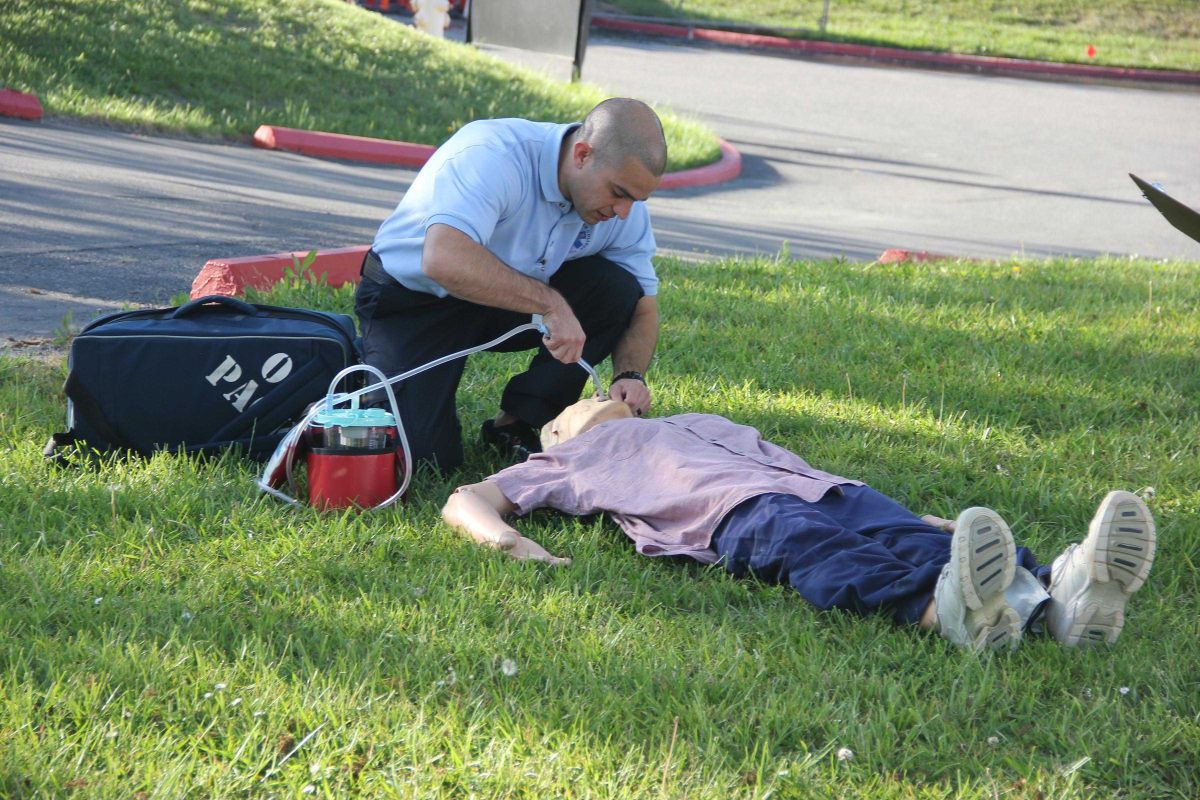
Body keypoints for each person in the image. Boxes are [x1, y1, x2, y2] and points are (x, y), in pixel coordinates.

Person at [441, 398, 1158, 652]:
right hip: (738, 516)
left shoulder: (693, 420)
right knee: (821, 554)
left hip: (829, 489)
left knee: (915, 536)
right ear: (558, 436)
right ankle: (941, 611)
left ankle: (1058, 599)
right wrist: (510, 540)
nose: (591, 400)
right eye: (571, 410)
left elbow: (785, 458)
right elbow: (463, 498)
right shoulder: (568, 459)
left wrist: (917, 516)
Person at [355, 98, 668, 472]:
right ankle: (350, 372)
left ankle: (517, 424)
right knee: (422, 458)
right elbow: (442, 258)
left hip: (503, 301)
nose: (624, 212)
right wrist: (552, 305)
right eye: (618, 193)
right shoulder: (493, 154)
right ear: (582, 155)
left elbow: (643, 307)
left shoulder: (621, 206)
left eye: (636, 199)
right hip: (416, 300)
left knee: (617, 288)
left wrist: (629, 374)